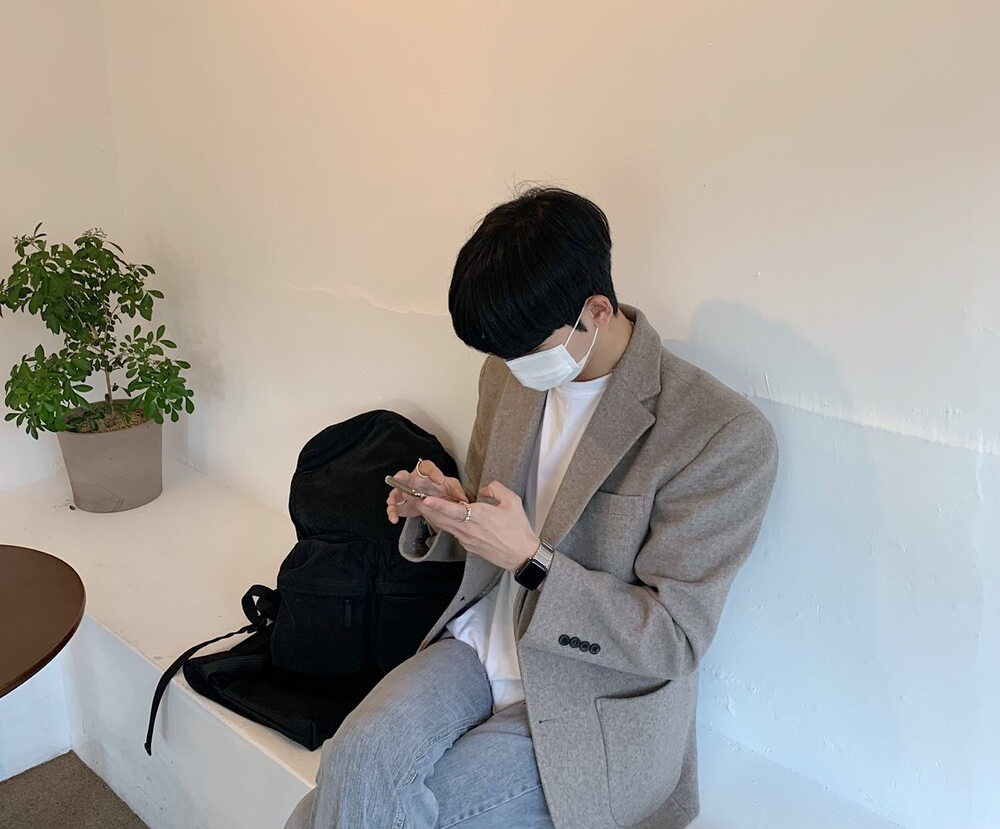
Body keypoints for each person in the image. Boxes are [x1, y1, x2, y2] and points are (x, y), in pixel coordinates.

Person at [283, 186, 779, 829]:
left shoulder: (717, 433)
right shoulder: (509, 373)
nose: (512, 366)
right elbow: (494, 518)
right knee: (353, 763)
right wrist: (448, 510)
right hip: (479, 646)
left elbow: (671, 641)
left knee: (333, 816)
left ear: (596, 310)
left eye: (524, 349)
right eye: (502, 351)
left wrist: (532, 559)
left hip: (593, 696)